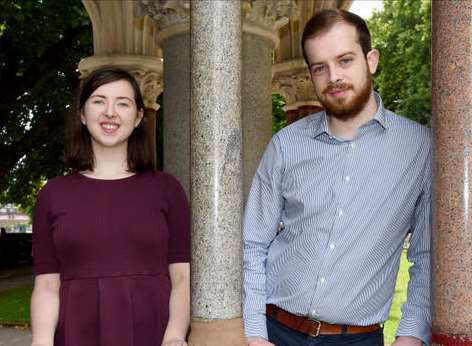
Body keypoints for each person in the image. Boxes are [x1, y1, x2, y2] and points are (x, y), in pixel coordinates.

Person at [243, 9, 431, 346]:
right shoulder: (287, 144)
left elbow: (427, 256)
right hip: (276, 332)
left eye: (345, 60)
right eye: (320, 68)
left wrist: (411, 337)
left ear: (370, 59)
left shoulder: (420, 149)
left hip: (357, 339)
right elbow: (253, 244)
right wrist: (254, 334)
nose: (334, 77)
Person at [30, 67, 190, 346]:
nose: (110, 112)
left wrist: (175, 336)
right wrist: (41, 342)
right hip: (77, 333)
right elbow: (46, 284)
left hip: (153, 331)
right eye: (99, 101)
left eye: (123, 103)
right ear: (82, 114)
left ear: (139, 116)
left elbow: (182, 277)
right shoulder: (52, 194)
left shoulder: (167, 190)